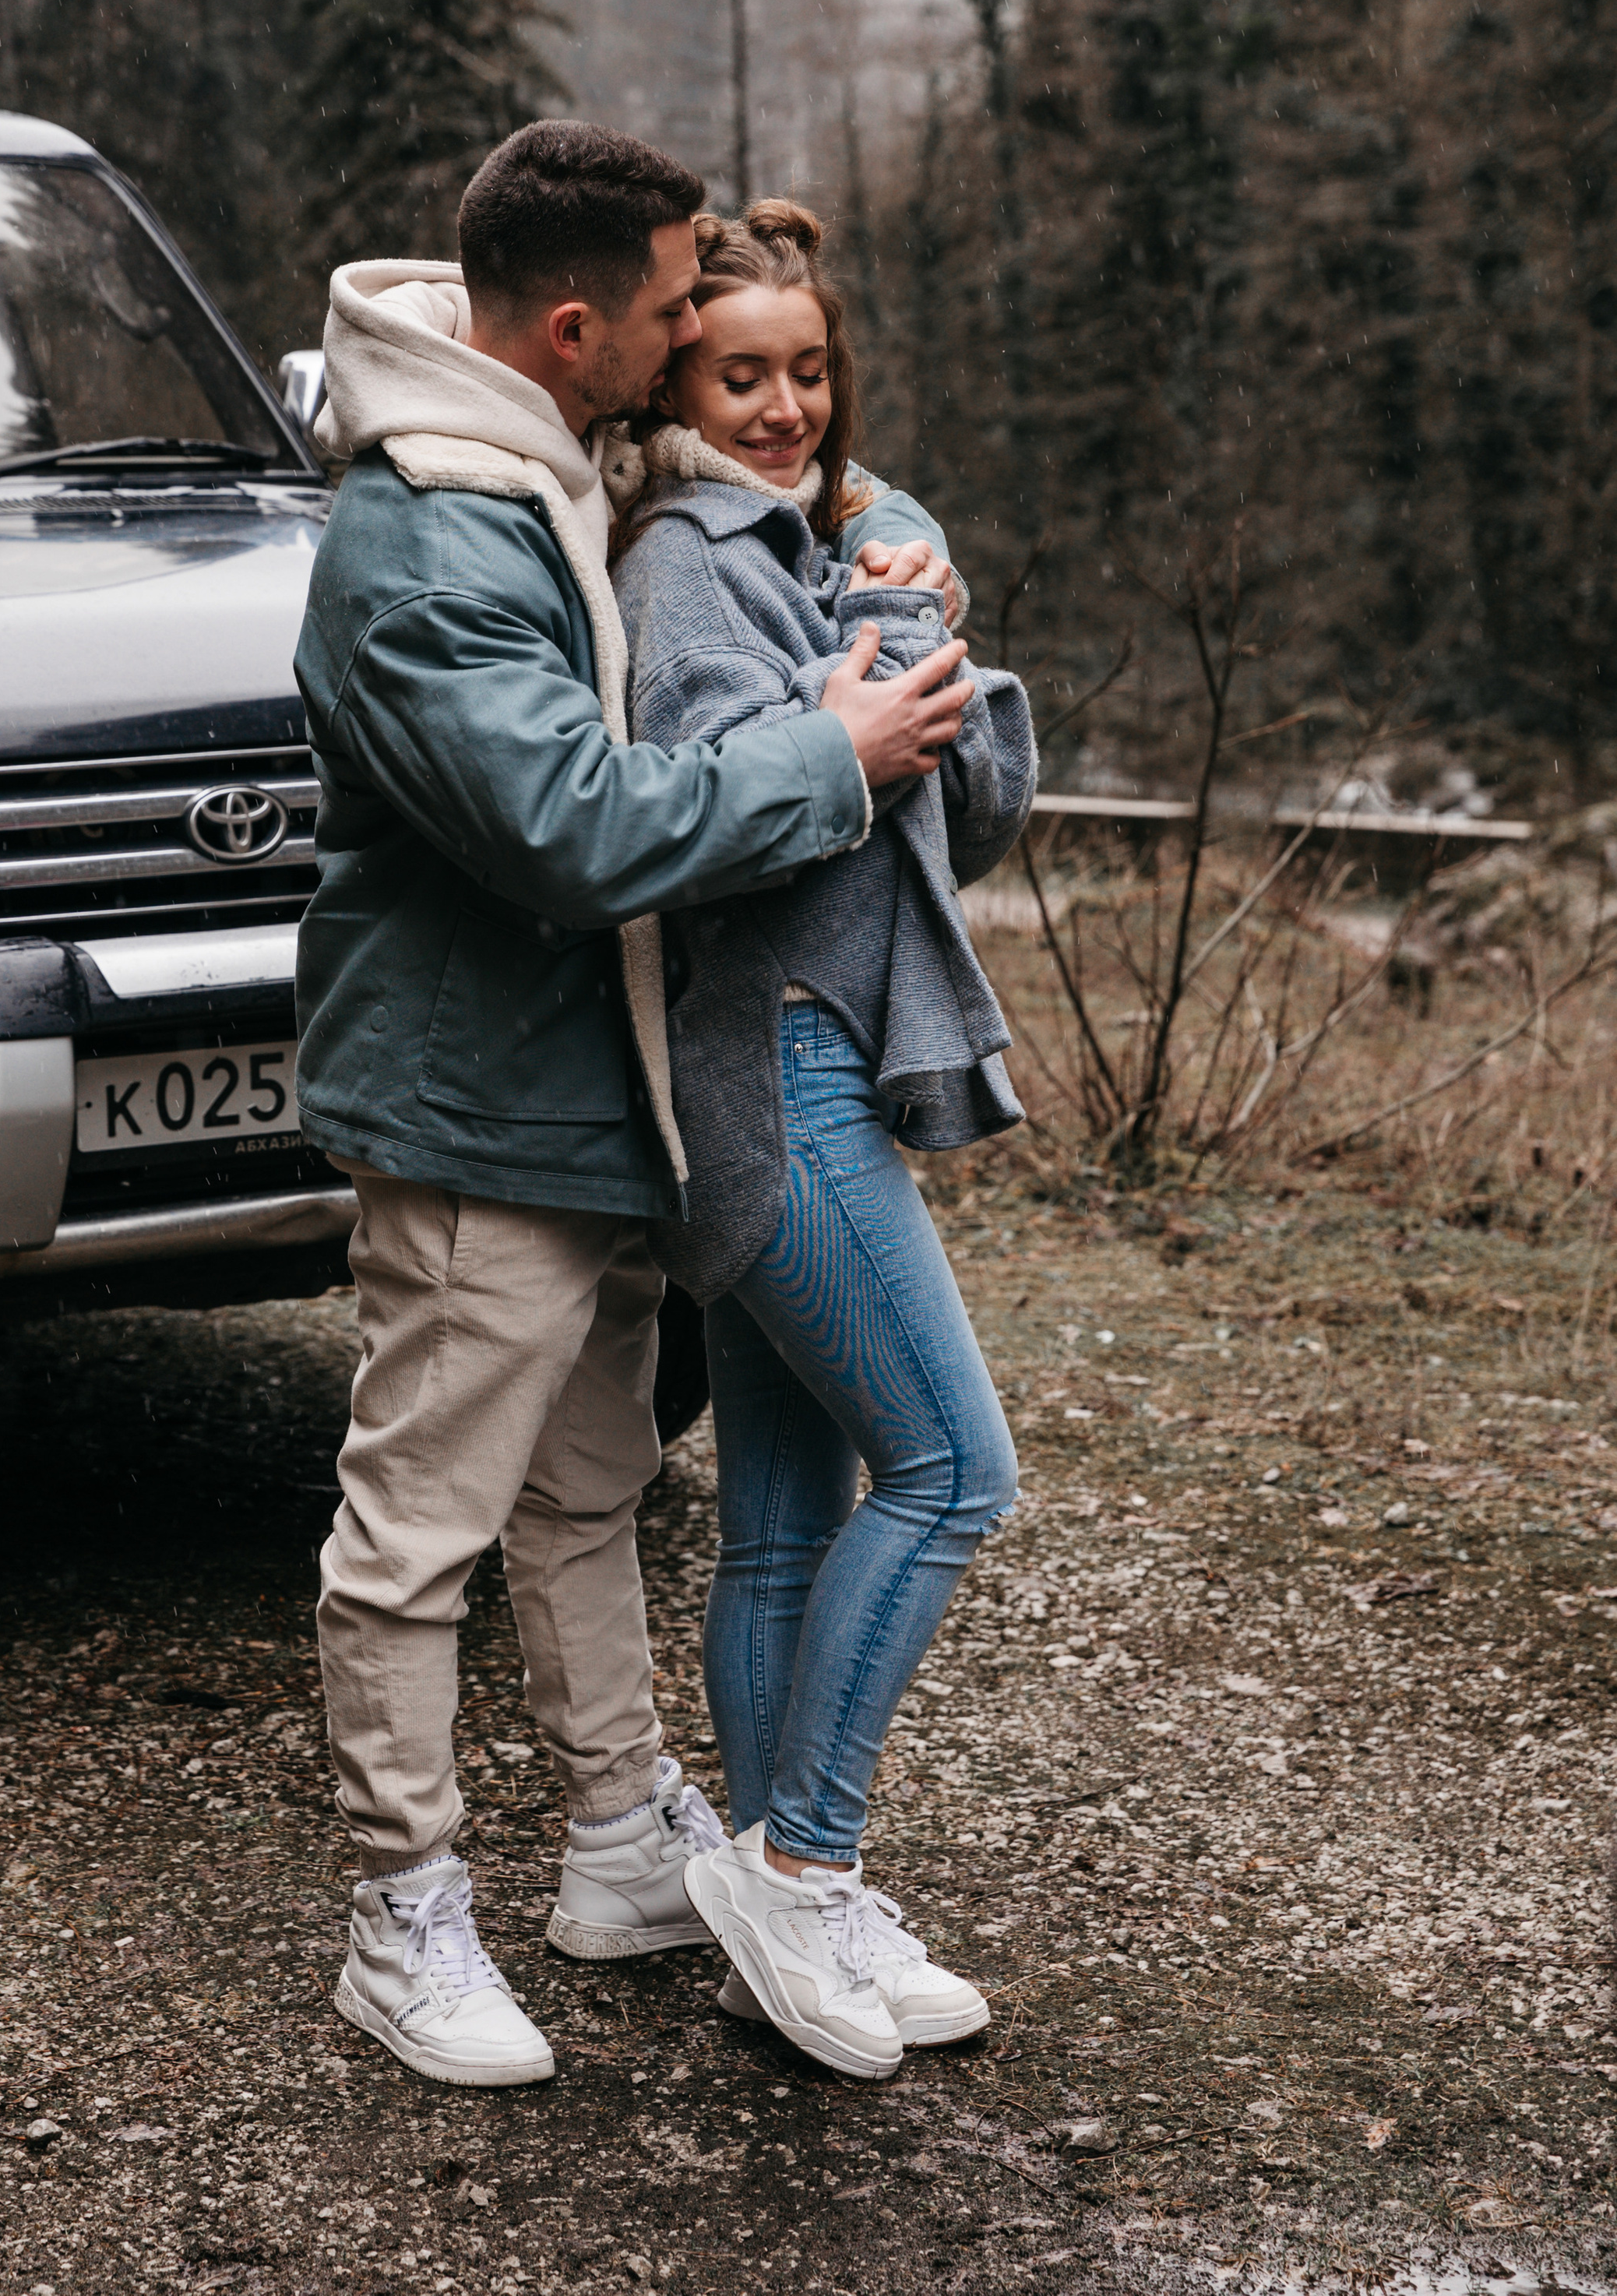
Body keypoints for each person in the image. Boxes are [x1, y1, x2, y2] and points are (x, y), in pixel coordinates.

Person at [291, 123, 977, 2088]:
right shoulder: (426, 533)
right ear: (579, 327)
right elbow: (570, 825)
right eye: (679, 311)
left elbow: (726, 504)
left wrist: (871, 551)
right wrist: (830, 748)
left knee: (588, 1496)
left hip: (597, 1098)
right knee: (413, 1529)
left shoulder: (555, 464)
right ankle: (398, 1912)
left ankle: (617, 1844)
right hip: (467, 1107)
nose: (704, 339)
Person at [608, 199, 1034, 2083]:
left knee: (780, 1528)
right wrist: (855, 666)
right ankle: (803, 1859)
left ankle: (786, 1926)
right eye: (736, 373)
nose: (778, 405)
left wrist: (931, 623)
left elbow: (978, 813)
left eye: (805, 372)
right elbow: (717, 814)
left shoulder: (835, 547)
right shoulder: (690, 563)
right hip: (767, 1075)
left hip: (815, 1066)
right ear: (678, 382)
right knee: (950, 1470)